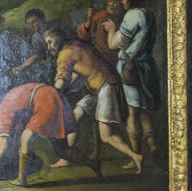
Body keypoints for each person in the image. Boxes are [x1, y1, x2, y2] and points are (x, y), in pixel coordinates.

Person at [48, 26, 144, 172]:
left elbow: (62, 78)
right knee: (74, 116)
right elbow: (76, 72)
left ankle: (135, 156)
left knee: (106, 135)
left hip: (106, 86)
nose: (49, 47)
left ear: (58, 39)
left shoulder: (65, 54)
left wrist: (51, 95)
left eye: (50, 42)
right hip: (98, 87)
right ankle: (65, 157)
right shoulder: (76, 45)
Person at [108, 0, 160, 159]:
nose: (122, 2)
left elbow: (115, 44)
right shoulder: (149, 14)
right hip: (146, 66)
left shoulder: (132, 15)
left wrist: (111, 29)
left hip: (130, 69)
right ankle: (153, 147)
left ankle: (137, 155)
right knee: (144, 109)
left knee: (132, 112)